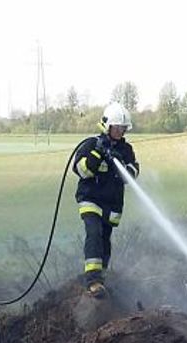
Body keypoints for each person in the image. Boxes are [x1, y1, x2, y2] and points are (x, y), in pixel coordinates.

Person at [72, 101, 140, 299]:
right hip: (90, 199)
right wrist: (98, 154)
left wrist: (123, 167)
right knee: (94, 233)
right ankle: (92, 281)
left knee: (104, 241)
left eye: (123, 128)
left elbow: (133, 172)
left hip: (111, 204)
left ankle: (101, 277)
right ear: (107, 126)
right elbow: (82, 170)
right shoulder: (91, 145)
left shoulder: (126, 150)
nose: (121, 131)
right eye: (118, 127)